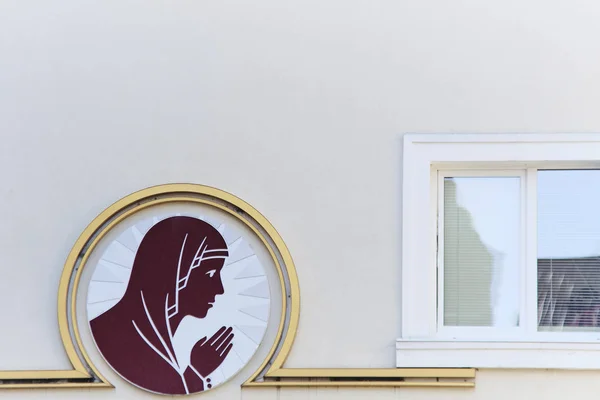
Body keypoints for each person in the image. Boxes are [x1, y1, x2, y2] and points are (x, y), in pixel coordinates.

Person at [90, 216, 234, 394]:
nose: (220, 289)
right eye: (210, 274)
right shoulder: (110, 338)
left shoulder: (148, 335)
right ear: (174, 274)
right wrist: (195, 373)